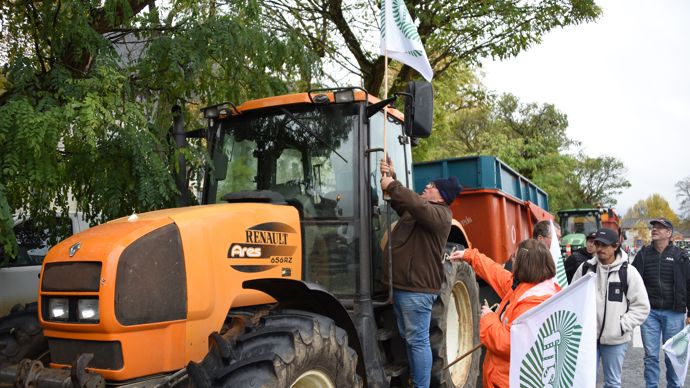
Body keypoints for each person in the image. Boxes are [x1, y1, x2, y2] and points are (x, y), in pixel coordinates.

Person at [379, 157, 462, 388]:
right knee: (412, 339)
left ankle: (421, 386)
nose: (427, 186)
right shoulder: (422, 211)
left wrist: (393, 185)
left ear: (442, 197)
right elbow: (405, 204)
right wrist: (391, 178)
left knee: (417, 341)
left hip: (416, 291)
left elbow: (415, 204)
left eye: (433, 186)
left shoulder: (441, 215)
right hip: (405, 288)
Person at [449, 239, 559, 388]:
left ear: (524, 264)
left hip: (507, 381)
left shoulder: (533, 304)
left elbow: (508, 344)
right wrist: (470, 255)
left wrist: (489, 317)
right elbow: (495, 272)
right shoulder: (524, 287)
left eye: (515, 258)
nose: (511, 262)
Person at [572, 228, 650, 388]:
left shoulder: (628, 272)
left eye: (604, 245)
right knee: (584, 382)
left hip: (615, 340)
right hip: (588, 339)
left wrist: (622, 325)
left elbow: (642, 307)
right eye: (597, 244)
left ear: (615, 246)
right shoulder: (585, 269)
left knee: (613, 383)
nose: (599, 248)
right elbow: (572, 298)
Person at [632, 218, 690, 388]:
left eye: (660, 227)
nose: (654, 229)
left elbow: (689, 283)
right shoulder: (643, 254)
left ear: (669, 233)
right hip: (649, 313)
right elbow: (633, 280)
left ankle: (674, 386)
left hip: (674, 312)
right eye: (654, 227)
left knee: (673, 355)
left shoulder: (680, 257)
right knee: (650, 356)